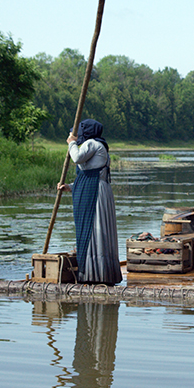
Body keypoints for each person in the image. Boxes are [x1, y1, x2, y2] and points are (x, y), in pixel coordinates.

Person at [57, 119, 122, 285]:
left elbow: (77, 158)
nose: (76, 137)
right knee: (89, 229)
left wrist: (71, 143)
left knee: (95, 228)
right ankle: (92, 271)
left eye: (78, 133)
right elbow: (87, 175)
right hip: (90, 190)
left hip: (96, 194)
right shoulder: (93, 145)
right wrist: (70, 187)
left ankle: (97, 273)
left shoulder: (93, 143)